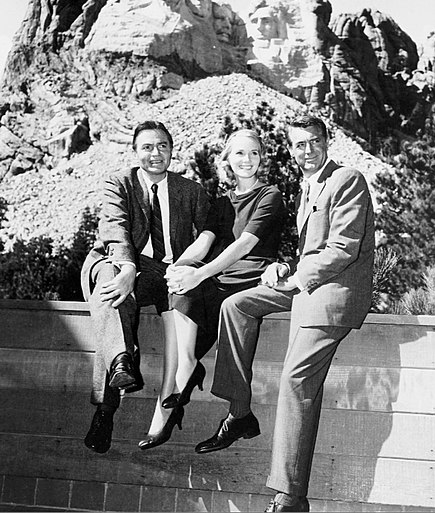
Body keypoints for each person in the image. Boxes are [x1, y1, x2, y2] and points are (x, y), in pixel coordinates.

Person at [195, 115, 375, 513]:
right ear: (290, 149)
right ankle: (239, 412)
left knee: (295, 381)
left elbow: (343, 248)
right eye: (298, 145)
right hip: (306, 286)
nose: (306, 151)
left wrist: (298, 280)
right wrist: (282, 268)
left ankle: (290, 496)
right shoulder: (306, 187)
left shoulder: (347, 179)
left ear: (327, 141)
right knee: (237, 304)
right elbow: (310, 249)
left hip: (333, 295)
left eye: (313, 142)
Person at [139, 128, 286, 449]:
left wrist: (198, 274)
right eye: (239, 154)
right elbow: (203, 242)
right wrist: (180, 267)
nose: (247, 160)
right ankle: (188, 366)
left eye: (254, 153)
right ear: (227, 161)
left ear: (262, 159)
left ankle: (202, 390)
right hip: (219, 277)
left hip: (251, 275)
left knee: (194, 284)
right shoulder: (221, 203)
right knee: (180, 281)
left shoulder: (270, 195)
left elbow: (244, 246)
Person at [81, 120, 210, 454]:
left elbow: (210, 233)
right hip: (118, 259)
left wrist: (186, 267)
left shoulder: (190, 190)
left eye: (163, 146)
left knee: (113, 303)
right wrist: (126, 266)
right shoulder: (119, 183)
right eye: (148, 147)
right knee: (111, 287)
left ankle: (118, 371)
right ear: (135, 151)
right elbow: (115, 227)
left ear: (171, 150)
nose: (156, 154)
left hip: (164, 272)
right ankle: (110, 397)